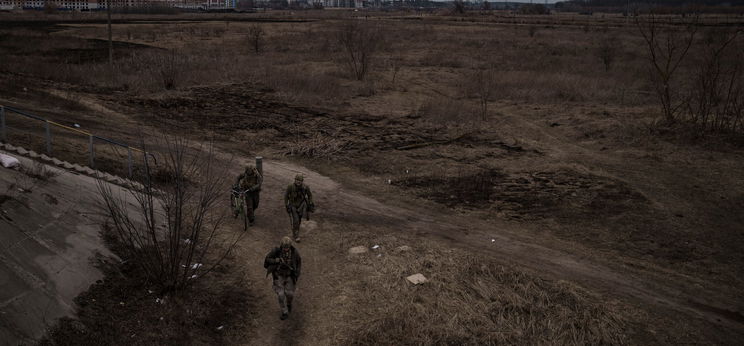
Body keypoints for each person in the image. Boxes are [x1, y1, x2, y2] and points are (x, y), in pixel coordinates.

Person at [263, 236, 302, 320]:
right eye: (284, 247)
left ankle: (289, 304)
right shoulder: (276, 251)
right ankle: (284, 312)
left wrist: (297, 273)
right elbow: (267, 259)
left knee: (290, 294)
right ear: (282, 246)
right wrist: (275, 260)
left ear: (290, 246)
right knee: (280, 295)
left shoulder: (295, 252)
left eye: (287, 247)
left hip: (289, 276)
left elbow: (299, 262)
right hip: (278, 276)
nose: (285, 249)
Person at [284, 174, 314, 243]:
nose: (298, 182)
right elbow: (286, 196)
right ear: (295, 180)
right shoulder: (290, 187)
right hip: (293, 205)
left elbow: (310, 195)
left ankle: (296, 230)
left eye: (300, 180)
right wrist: (286, 205)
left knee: (299, 220)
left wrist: (310, 202)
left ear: (302, 181)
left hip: (301, 206)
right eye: (297, 180)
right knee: (296, 220)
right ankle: (296, 235)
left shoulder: (305, 187)